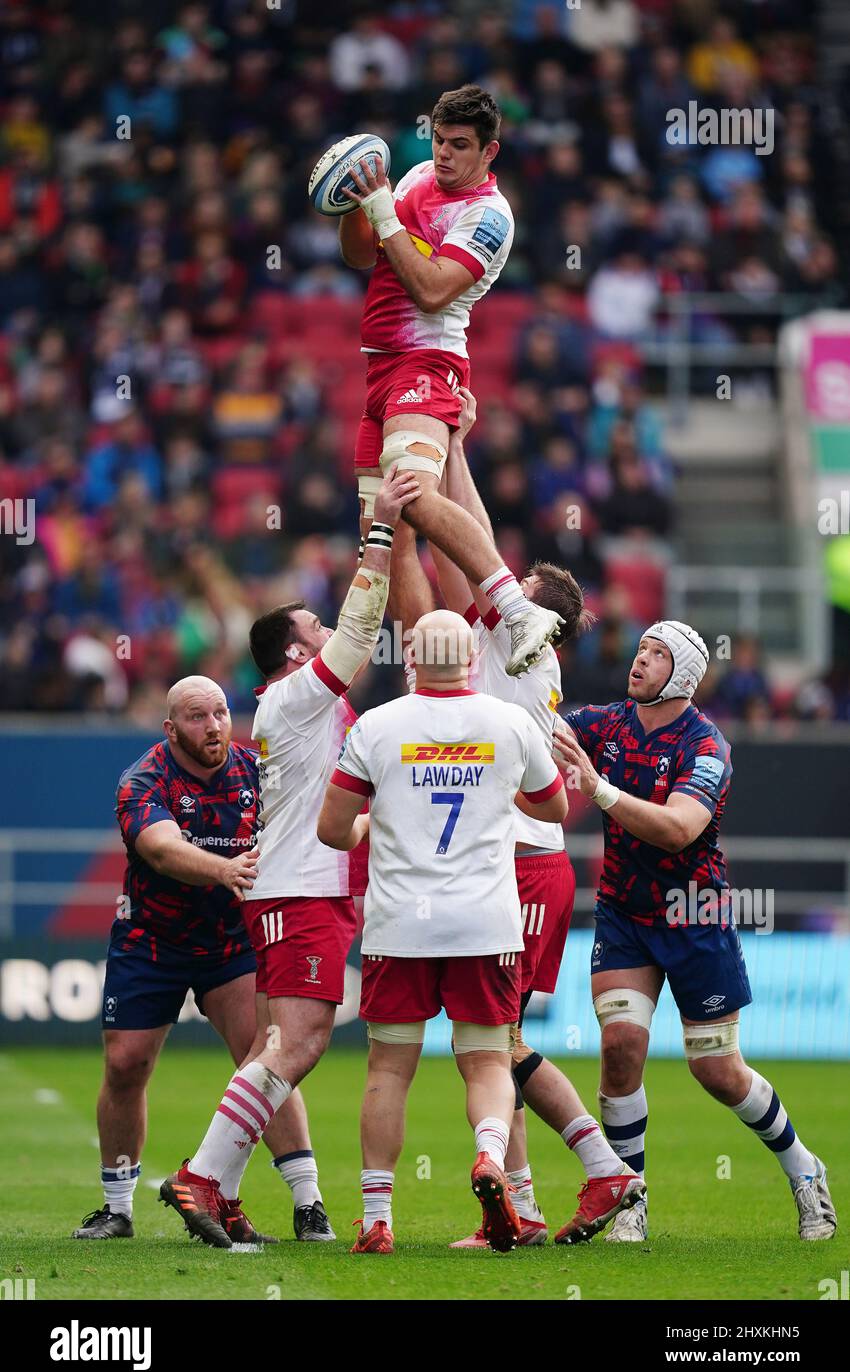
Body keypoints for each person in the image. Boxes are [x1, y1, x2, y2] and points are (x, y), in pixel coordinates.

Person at [159, 465, 420, 1248]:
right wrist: (381, 530)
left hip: (305, 886)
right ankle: (201, 1177)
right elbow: (360, 633)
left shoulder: (308, 706)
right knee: (296, 1046)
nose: (327, 634)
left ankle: (217, 1187)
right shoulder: (296, 694)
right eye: (314, 628)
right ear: (293, 651)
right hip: (300, 891)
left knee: (285, 1046)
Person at [317, 608, 608, 1255]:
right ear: (473, 662)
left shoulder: (377, 726)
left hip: (401, 926)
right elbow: (556, 808)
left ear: (412, 659)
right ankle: (489, 1159)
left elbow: (332, 830)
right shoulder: (508, 723)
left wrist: (371, 824)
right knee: (485, 1060)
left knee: (389, 1068)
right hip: (487, 921)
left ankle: (376, 1217)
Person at [431, 396, 642, 1247]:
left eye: (510, 589)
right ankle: (519, 1209)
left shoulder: (514, 642)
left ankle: (602, 1172)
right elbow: (474, 533)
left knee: (497, 1043)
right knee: (489, 1044)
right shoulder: (527, 650)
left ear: (532, 610)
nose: (494, 586)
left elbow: (463, 543)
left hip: (522, 857)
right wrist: (456, 440)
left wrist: (442, 450)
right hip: (518, 857)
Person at [553, 621, 837, 1243]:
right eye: (640, 649)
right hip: (625, 912)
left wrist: (597, 789)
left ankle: (804, 1168)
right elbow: (539, 726)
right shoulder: (608, 721)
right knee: (621, 1050)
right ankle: (631, 1200)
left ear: (681, 674)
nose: (640, 660)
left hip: (694, 915)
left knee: (717, 1070)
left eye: (657, 654)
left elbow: (678, 829)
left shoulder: (706, 747)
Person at [73, 676, 317, 1244]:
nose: (213, 726)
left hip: (232, 942)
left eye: (220, 713)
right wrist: (224, 870)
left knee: (267, 1060)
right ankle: (117, 1209)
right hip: (150, 940)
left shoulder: (259, 770)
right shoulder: (143, 778)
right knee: (125, 1065)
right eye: (197, 718)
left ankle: (309, 1205)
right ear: (171, 728)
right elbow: (159, 847)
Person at [338, 82, 563, 675]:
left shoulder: (488, 216)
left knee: (412, 494)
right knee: (385, 533)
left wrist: (383, 212)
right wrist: (356, 203)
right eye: (438, 140)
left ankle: (517, 611)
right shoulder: (413, 179)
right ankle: (423, 671)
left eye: (460, 145)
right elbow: (362, 256)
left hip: (428, 362)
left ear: (489, 153)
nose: (444, 154)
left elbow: (433, 289)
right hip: (379, 368)